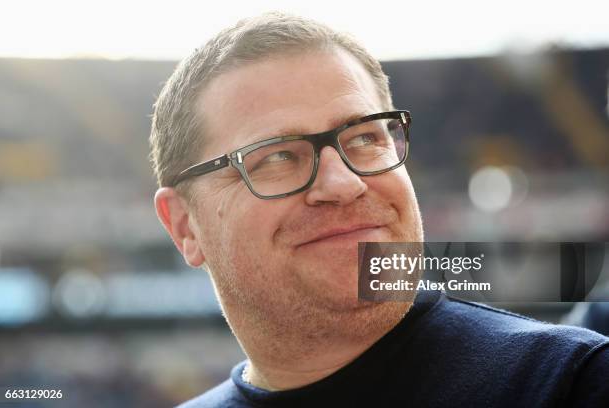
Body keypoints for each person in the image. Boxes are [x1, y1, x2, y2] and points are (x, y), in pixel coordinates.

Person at [149, 12, 609, 408]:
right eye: (276, 156)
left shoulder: (572, 384)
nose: (344, 183)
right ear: (185, 226)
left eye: (365, 138)